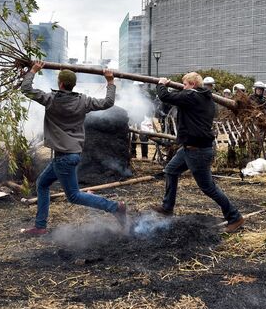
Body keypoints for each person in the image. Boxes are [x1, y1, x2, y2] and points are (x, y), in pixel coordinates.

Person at [20, 61, 127, 236]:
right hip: (69, 155)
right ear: (72, 84)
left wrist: (33, 70)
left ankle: (116, 207)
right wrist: (110, 81)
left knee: (74, 196)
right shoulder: (83, 101)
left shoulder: (51, 99)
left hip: (64, 158)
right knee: (42, 183)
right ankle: (40, 226)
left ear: (60, 84)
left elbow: (26, 88)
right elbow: (108, 102)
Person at [151, 72, 245, 233]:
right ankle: (167, 207)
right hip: (190, 147)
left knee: (208, 188)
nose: (184, 87)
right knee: (171, 171)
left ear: (193, 85)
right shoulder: (205, 98)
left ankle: (235, 217)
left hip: (198, 150)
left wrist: (161, 83)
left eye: (185, 84)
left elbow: (165, 96)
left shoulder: (192, 97)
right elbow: (177, 97)